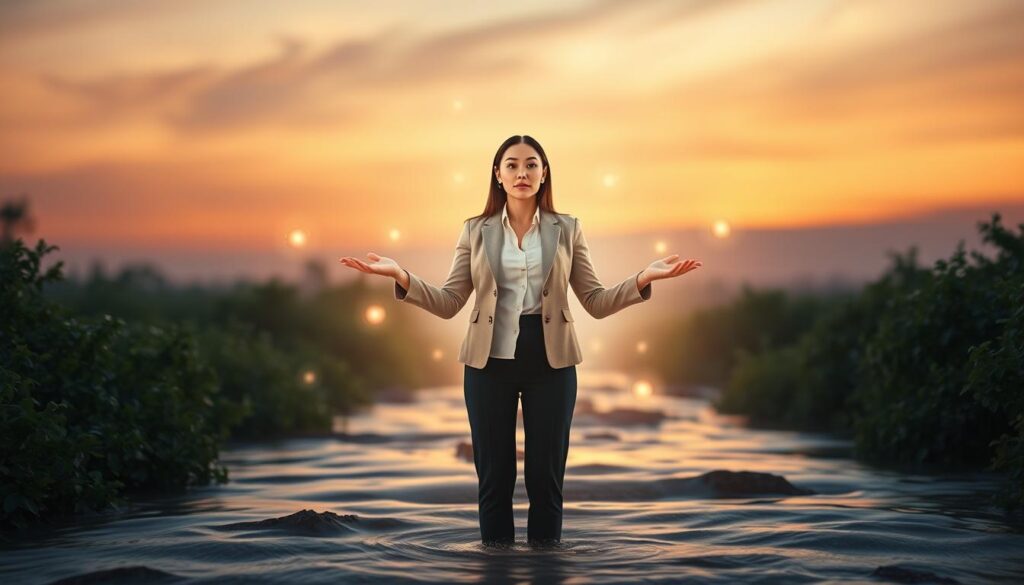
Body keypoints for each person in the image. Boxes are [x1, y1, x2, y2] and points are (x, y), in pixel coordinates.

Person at [339, 135, 702, 546]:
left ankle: (547, 567)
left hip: (552, 362)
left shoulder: (568, 229)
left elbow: (596, 301)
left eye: (531, 164)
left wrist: (644, 278)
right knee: (494, 481)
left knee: (546, 482)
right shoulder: (475, 230)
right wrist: (401, 276)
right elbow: (449, 301)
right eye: (511, 165)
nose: (522, 173)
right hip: (487, 363)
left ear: (544, 174)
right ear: (497, 175)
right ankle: (497, 568)